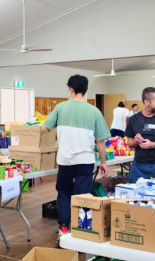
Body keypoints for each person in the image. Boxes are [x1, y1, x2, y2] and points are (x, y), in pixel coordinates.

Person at [41, 75, 110, 241]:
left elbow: (44, 129)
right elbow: (101, 141)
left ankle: (64, 228)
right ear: (86, 91)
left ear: (71, 90)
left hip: (65, 160)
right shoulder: (95, 111)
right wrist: (103, 162)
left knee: (64, 193)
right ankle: (81, 228)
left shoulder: (60, 107)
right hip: (85, 161)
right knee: (83, 195)